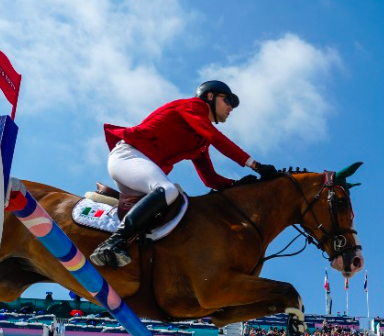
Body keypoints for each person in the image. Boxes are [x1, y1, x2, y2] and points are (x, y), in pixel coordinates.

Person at [90, 80, 278, 268]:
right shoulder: (193, 106)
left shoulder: (201, 141)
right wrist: (255, 165)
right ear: (210, 96)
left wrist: (238, 184)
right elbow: (216, 137)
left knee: (167, 212)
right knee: (167, 190)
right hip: (128, 156)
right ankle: (112, 242)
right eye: (227, 100)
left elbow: (210, 179)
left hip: (140, 169)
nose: (230, 107)